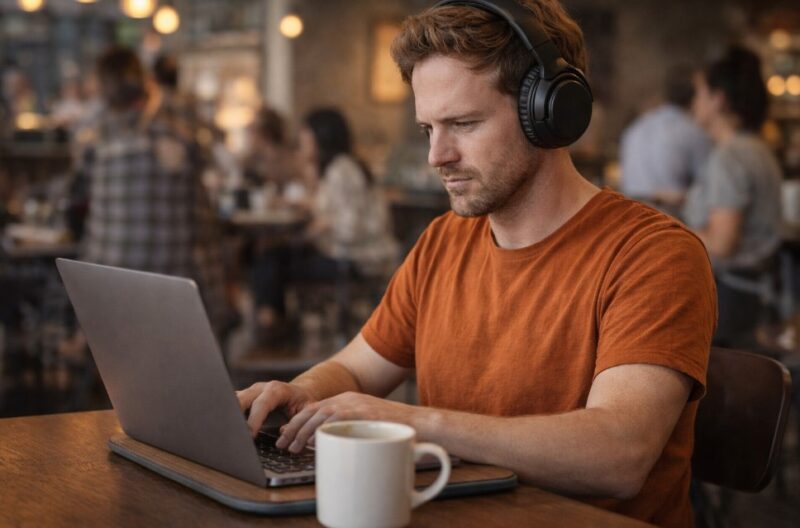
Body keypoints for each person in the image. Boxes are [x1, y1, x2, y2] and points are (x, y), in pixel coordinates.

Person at [238, 2, 715, 527]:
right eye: (427, 130)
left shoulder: (652, 254)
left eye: (462, 124)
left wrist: (415, 421)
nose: (436, 156)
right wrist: (300, 392)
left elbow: (618, 455)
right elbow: (355, 368)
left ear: (550, 112)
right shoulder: (444, 241)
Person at [79, 47, 232, 340]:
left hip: (108, 279)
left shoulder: (95, 129)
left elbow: (82, 170)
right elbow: (212, 154)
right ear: (144, 78)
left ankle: (86, 347)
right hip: (173, 280)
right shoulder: (179, 116)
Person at [251, 108, 398, 340]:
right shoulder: (342, 167)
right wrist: (307, 207)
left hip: (355, 260)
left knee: (271, 258)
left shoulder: (341, 171)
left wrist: (319, 227)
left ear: (320, 137)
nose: (302, 141)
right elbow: (338, 206)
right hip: (354, 256)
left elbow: (350, 228)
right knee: (274, 256)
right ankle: (274, 323)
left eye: (305, 135)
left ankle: (271, 328)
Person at [683, 46, 783, 348]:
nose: (693, 103)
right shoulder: (756, 148)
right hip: (752, 296)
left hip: (729, 298)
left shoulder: (730, 156)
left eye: (699, 93)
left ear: (718, 99)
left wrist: (663, 230)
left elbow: (723, 244)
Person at [619, 64, 711, 215]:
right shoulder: (693, 131)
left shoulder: (636, 126)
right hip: (669, 221)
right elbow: (708, 191)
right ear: (695, 97)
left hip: (629, 217)